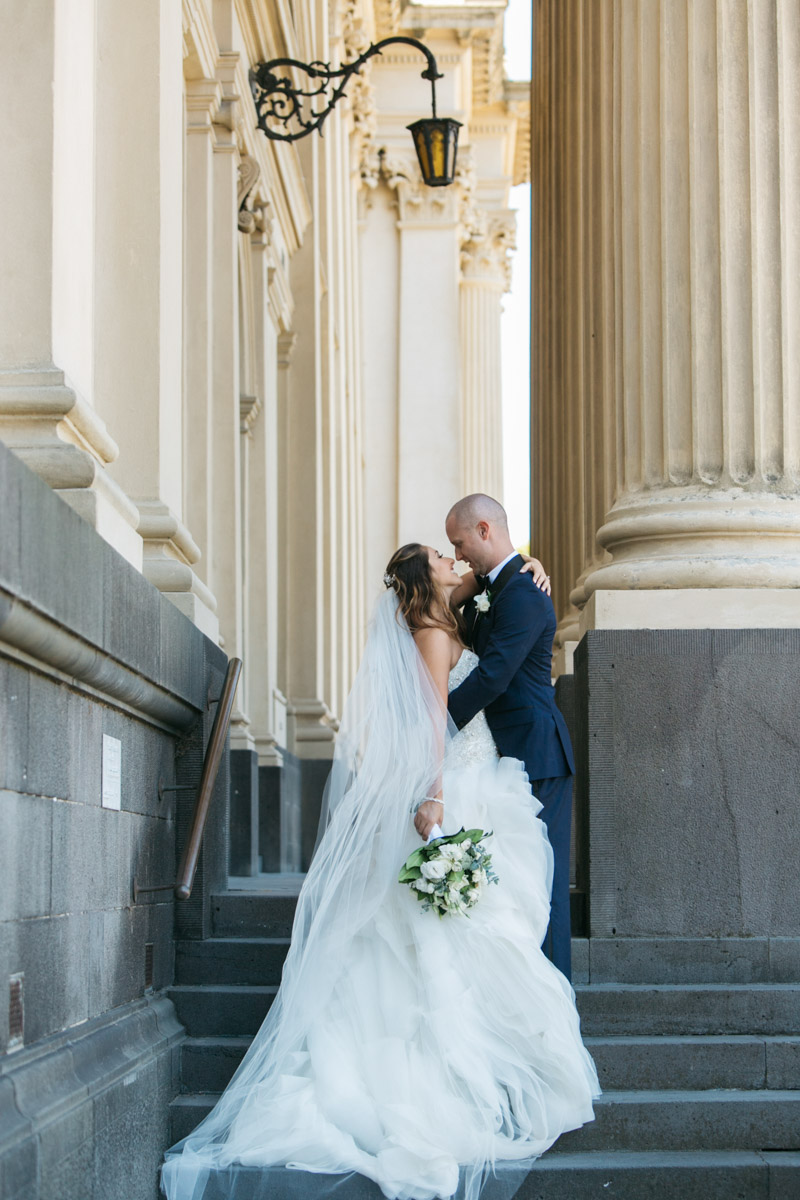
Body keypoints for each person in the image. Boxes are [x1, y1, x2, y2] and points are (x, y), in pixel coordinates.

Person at [161, 544, 598, 1200]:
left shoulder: (452, 623)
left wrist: (533, 562)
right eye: (442, 559)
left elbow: (494, 590)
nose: (456, 562)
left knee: (473, 927)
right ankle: (448, 1078)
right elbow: (430, 721)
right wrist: (434, 795)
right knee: (441, 936)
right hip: (456, 784)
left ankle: (493, 1060)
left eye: (457, 553)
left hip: (481, 778)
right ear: (425, 583)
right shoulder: (428, 633)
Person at [442, 495, 576, 981]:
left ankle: (556, 1001)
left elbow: (494, 675)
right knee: (517, 883)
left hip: (538, 756)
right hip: (502, 757)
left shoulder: (520, 593)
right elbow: (457, 595)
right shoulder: (499, 586)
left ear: (483, 529)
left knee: (545, 884)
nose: (455, 556)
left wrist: (437, 724)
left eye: (459, 543)